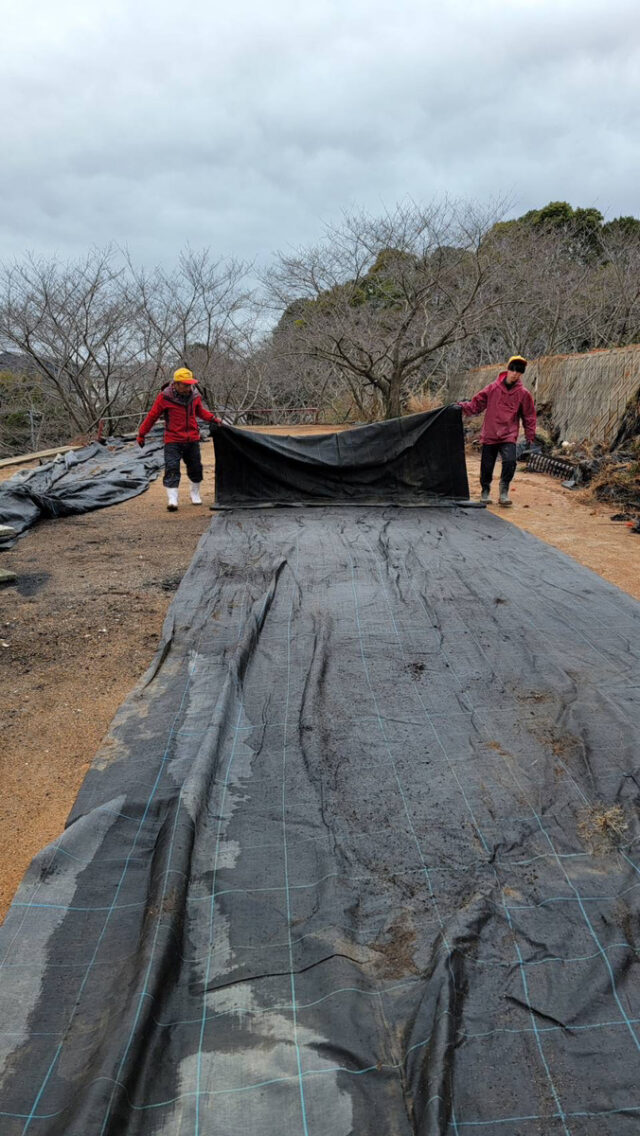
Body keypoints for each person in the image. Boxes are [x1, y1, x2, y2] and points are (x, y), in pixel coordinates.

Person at [137, 368, 221, 511]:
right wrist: (141, 433)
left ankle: (195, 493)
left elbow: (200, 411)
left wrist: (213, 418)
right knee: (172, 467)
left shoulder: (195, 396)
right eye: (185, 385)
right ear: (176, 384)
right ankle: (172, 499)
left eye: (190, 384)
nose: (189, 387)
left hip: (192, 438)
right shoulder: (164, 398)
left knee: (195, 467)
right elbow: (152, 416)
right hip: (173, 439)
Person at [457, 355, 536, 507]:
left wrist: (529, 435)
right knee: (487, 465)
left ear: (521, 374)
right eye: (513, 370)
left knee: (510, 461)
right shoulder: (492, 388)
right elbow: (476, 405)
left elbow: (529, 416)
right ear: (508, 369)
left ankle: (504, 491)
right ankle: (485, 491)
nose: (515, 374)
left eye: (519, 372)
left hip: (509, 433)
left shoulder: (523, 394)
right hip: (491, 433)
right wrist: (461, 406)